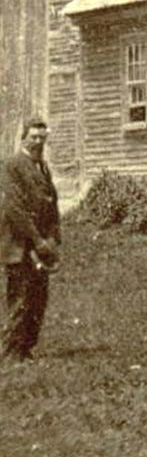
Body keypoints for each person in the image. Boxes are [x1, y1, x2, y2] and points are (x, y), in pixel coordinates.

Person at [1, 120, 60, 361]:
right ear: (23, 138)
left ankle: (27, 349)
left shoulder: (42, 166)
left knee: (38, 299)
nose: (38, 142)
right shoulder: (12, 165)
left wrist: (54, 237)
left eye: (42, 138)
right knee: (20, 298)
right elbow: (14, 207)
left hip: (41, 243)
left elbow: (51, 204)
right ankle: (11, 353)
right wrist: (36, 239)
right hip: (19, 243)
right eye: (33, 137)